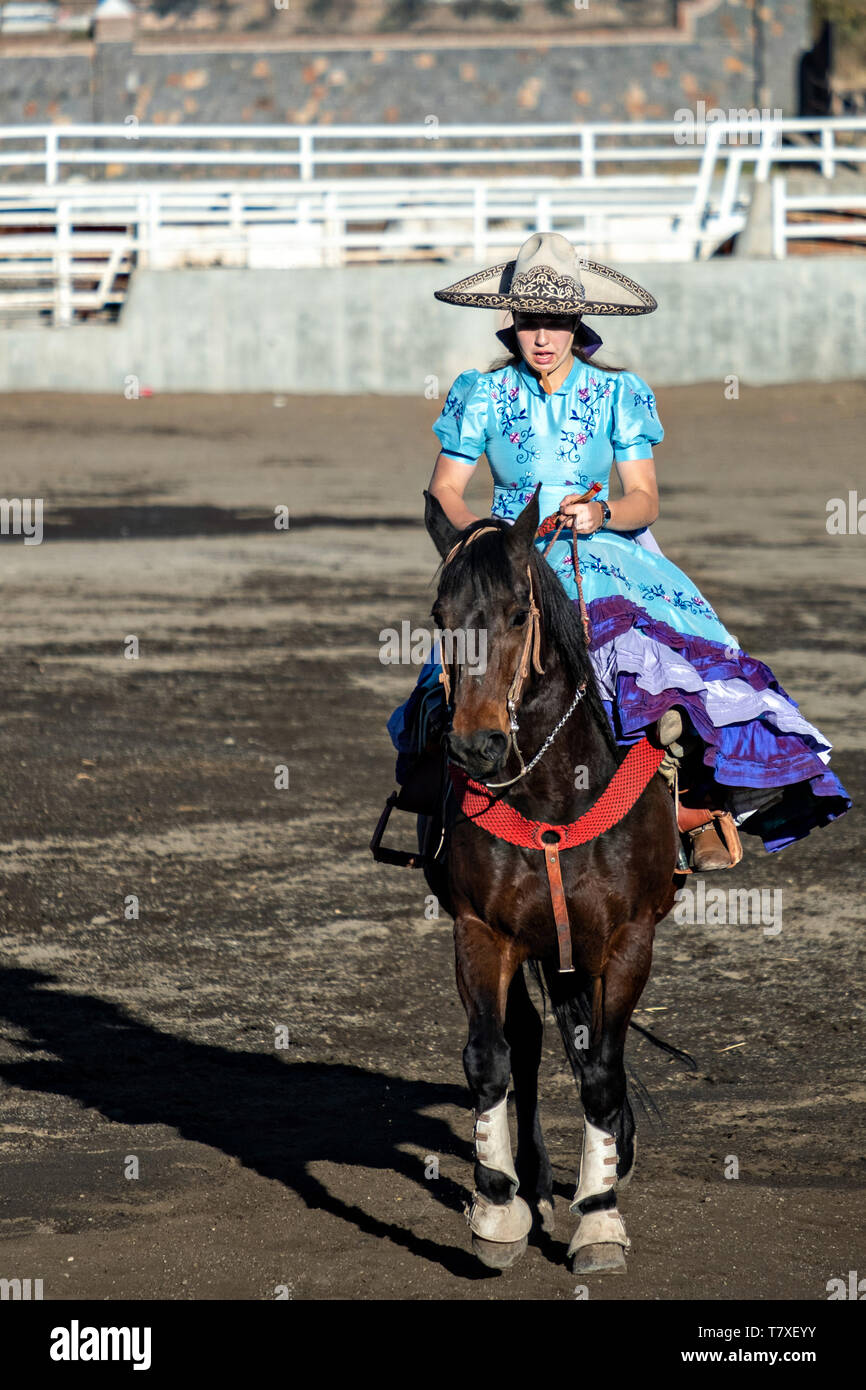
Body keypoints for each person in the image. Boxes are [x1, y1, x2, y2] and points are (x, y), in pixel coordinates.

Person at [386, 232, 850, 871]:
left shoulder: (618, 393)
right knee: (458, 666)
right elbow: (445, 489)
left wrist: (600, 513)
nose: (542, 337)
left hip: (605, 548)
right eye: (529, 322)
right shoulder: (480, 393)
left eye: (556, 322)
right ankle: (435, 802)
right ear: (511, 324)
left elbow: (645, 498)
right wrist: (488, 544)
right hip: (507, 550)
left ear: (578, 322)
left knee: (662, 671)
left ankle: (690, 808)